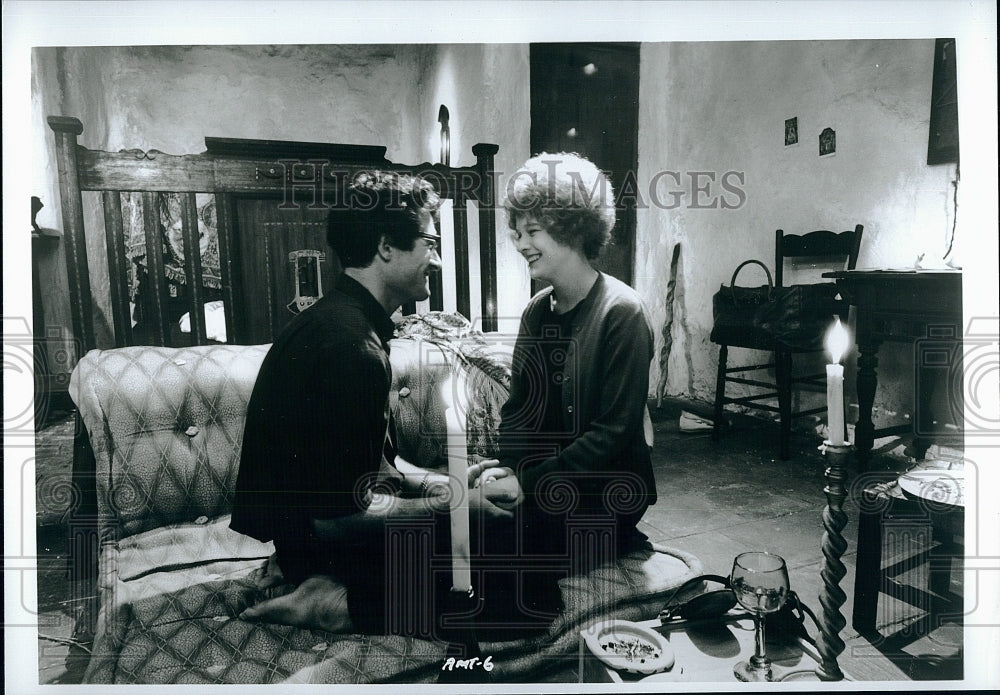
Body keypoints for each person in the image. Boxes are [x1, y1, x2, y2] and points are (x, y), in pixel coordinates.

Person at [230, 171, 514, 635]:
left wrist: (443, 485)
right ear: (386, 246)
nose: (437, 260)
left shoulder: (337, 322)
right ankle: (336, 603)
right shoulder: (352, 350)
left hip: (305, 538)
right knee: (528, 588)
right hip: (327, 545)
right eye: (430, 242)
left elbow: (372, 467)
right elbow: (340, 520)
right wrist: (461, 508)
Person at [470, 152, 658, 621]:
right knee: (468, 517)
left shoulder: (623, 313)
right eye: (517, 232)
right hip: (548, 486)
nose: (520, 243)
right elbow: (519, 408)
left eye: (532, 231)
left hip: (607, 494)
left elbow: (611, 436)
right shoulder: (537, 310)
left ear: (572, 227)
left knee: (485, 543)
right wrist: (508, 469)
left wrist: (524, 485)